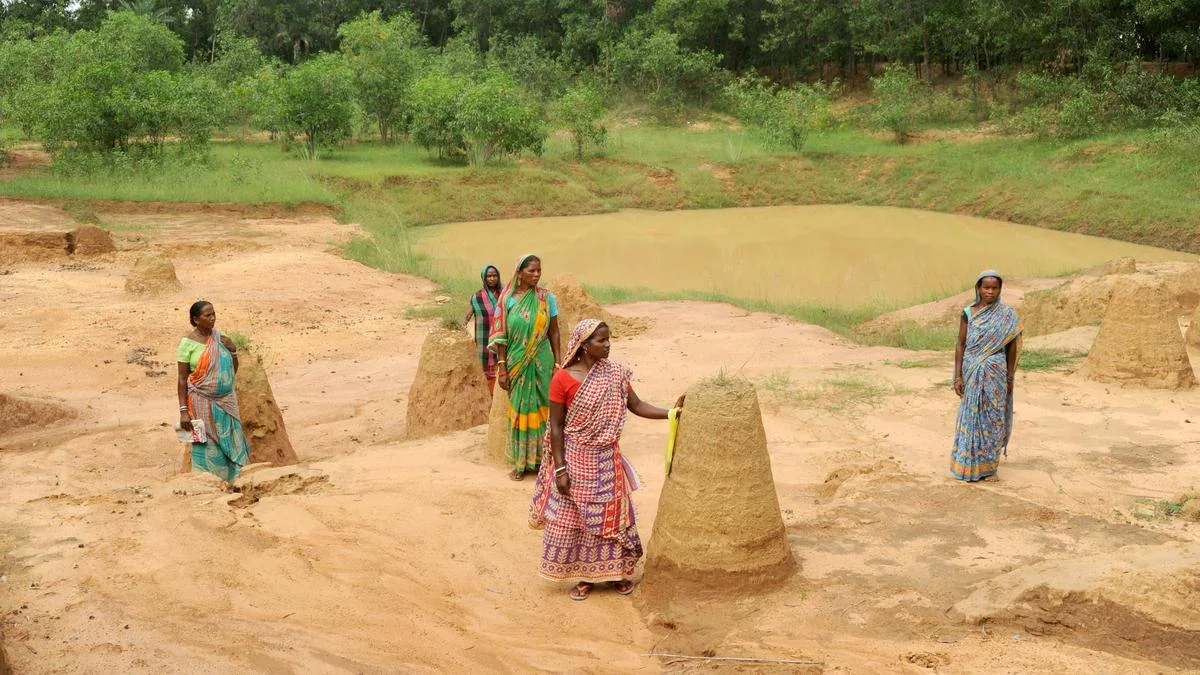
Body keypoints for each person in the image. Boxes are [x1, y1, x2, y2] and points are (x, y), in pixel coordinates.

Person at [529, 319, 685, 601]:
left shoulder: (615, 374)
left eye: (609, 339)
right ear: (584, 346)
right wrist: (561, 469)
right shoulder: (562, 379)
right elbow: (556, 427)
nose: (608, 344)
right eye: (601, 341)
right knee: (577, 520)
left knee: (612, 517)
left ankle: (615, 574)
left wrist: (671, 413)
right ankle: (586, 577)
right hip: (576, 459)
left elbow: (636, 405)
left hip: (606, 460)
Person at [488, 254, 562, 481]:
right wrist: (502, 367)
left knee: (545, 410)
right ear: (519, 273)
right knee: (520, 410)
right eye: (532, 271)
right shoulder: (507, 299)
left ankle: (544, 462)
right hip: (516, 363)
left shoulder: (546, 298)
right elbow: (501, 336)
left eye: (539, 270)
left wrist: (558, 363)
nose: (537, 275)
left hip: (543, 362)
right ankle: (521, 463)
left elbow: (554, 332)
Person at [951, 270, 1022, 482]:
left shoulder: (1007, 315)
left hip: (996, 372)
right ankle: (967, 464)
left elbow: (1011, 348)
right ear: (978, 288)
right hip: (972, 370)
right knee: (972, 415)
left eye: (995, 287)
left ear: (1000, 289)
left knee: (993, 418)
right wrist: (957, 376)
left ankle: (989, 467)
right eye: (986, 287)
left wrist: (1009, 377)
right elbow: (960, 344)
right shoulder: (969, 313)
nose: (990, 291)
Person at [177, 300, 250, 488]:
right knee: (206, 444)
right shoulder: (187, 344)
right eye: (207, 315)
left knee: (234, 440)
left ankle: (238, 483)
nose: (212, 318)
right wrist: (183, 411)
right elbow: (182, 379)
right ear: (195, 319)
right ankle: (211, 485)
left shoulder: (220, 339)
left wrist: (233, 350)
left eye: (214, 314)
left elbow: (232, 371)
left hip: (226, 402)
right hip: (200, 403)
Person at [464, 264, 502, 395]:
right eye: (489, 276)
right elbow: (467, 315)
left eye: (495, 275)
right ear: (484, 278)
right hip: (483, 341)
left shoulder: (504, 295)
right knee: (485, 374)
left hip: (500, 340)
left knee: (501, 369)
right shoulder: (477, 297)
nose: (492, 279)